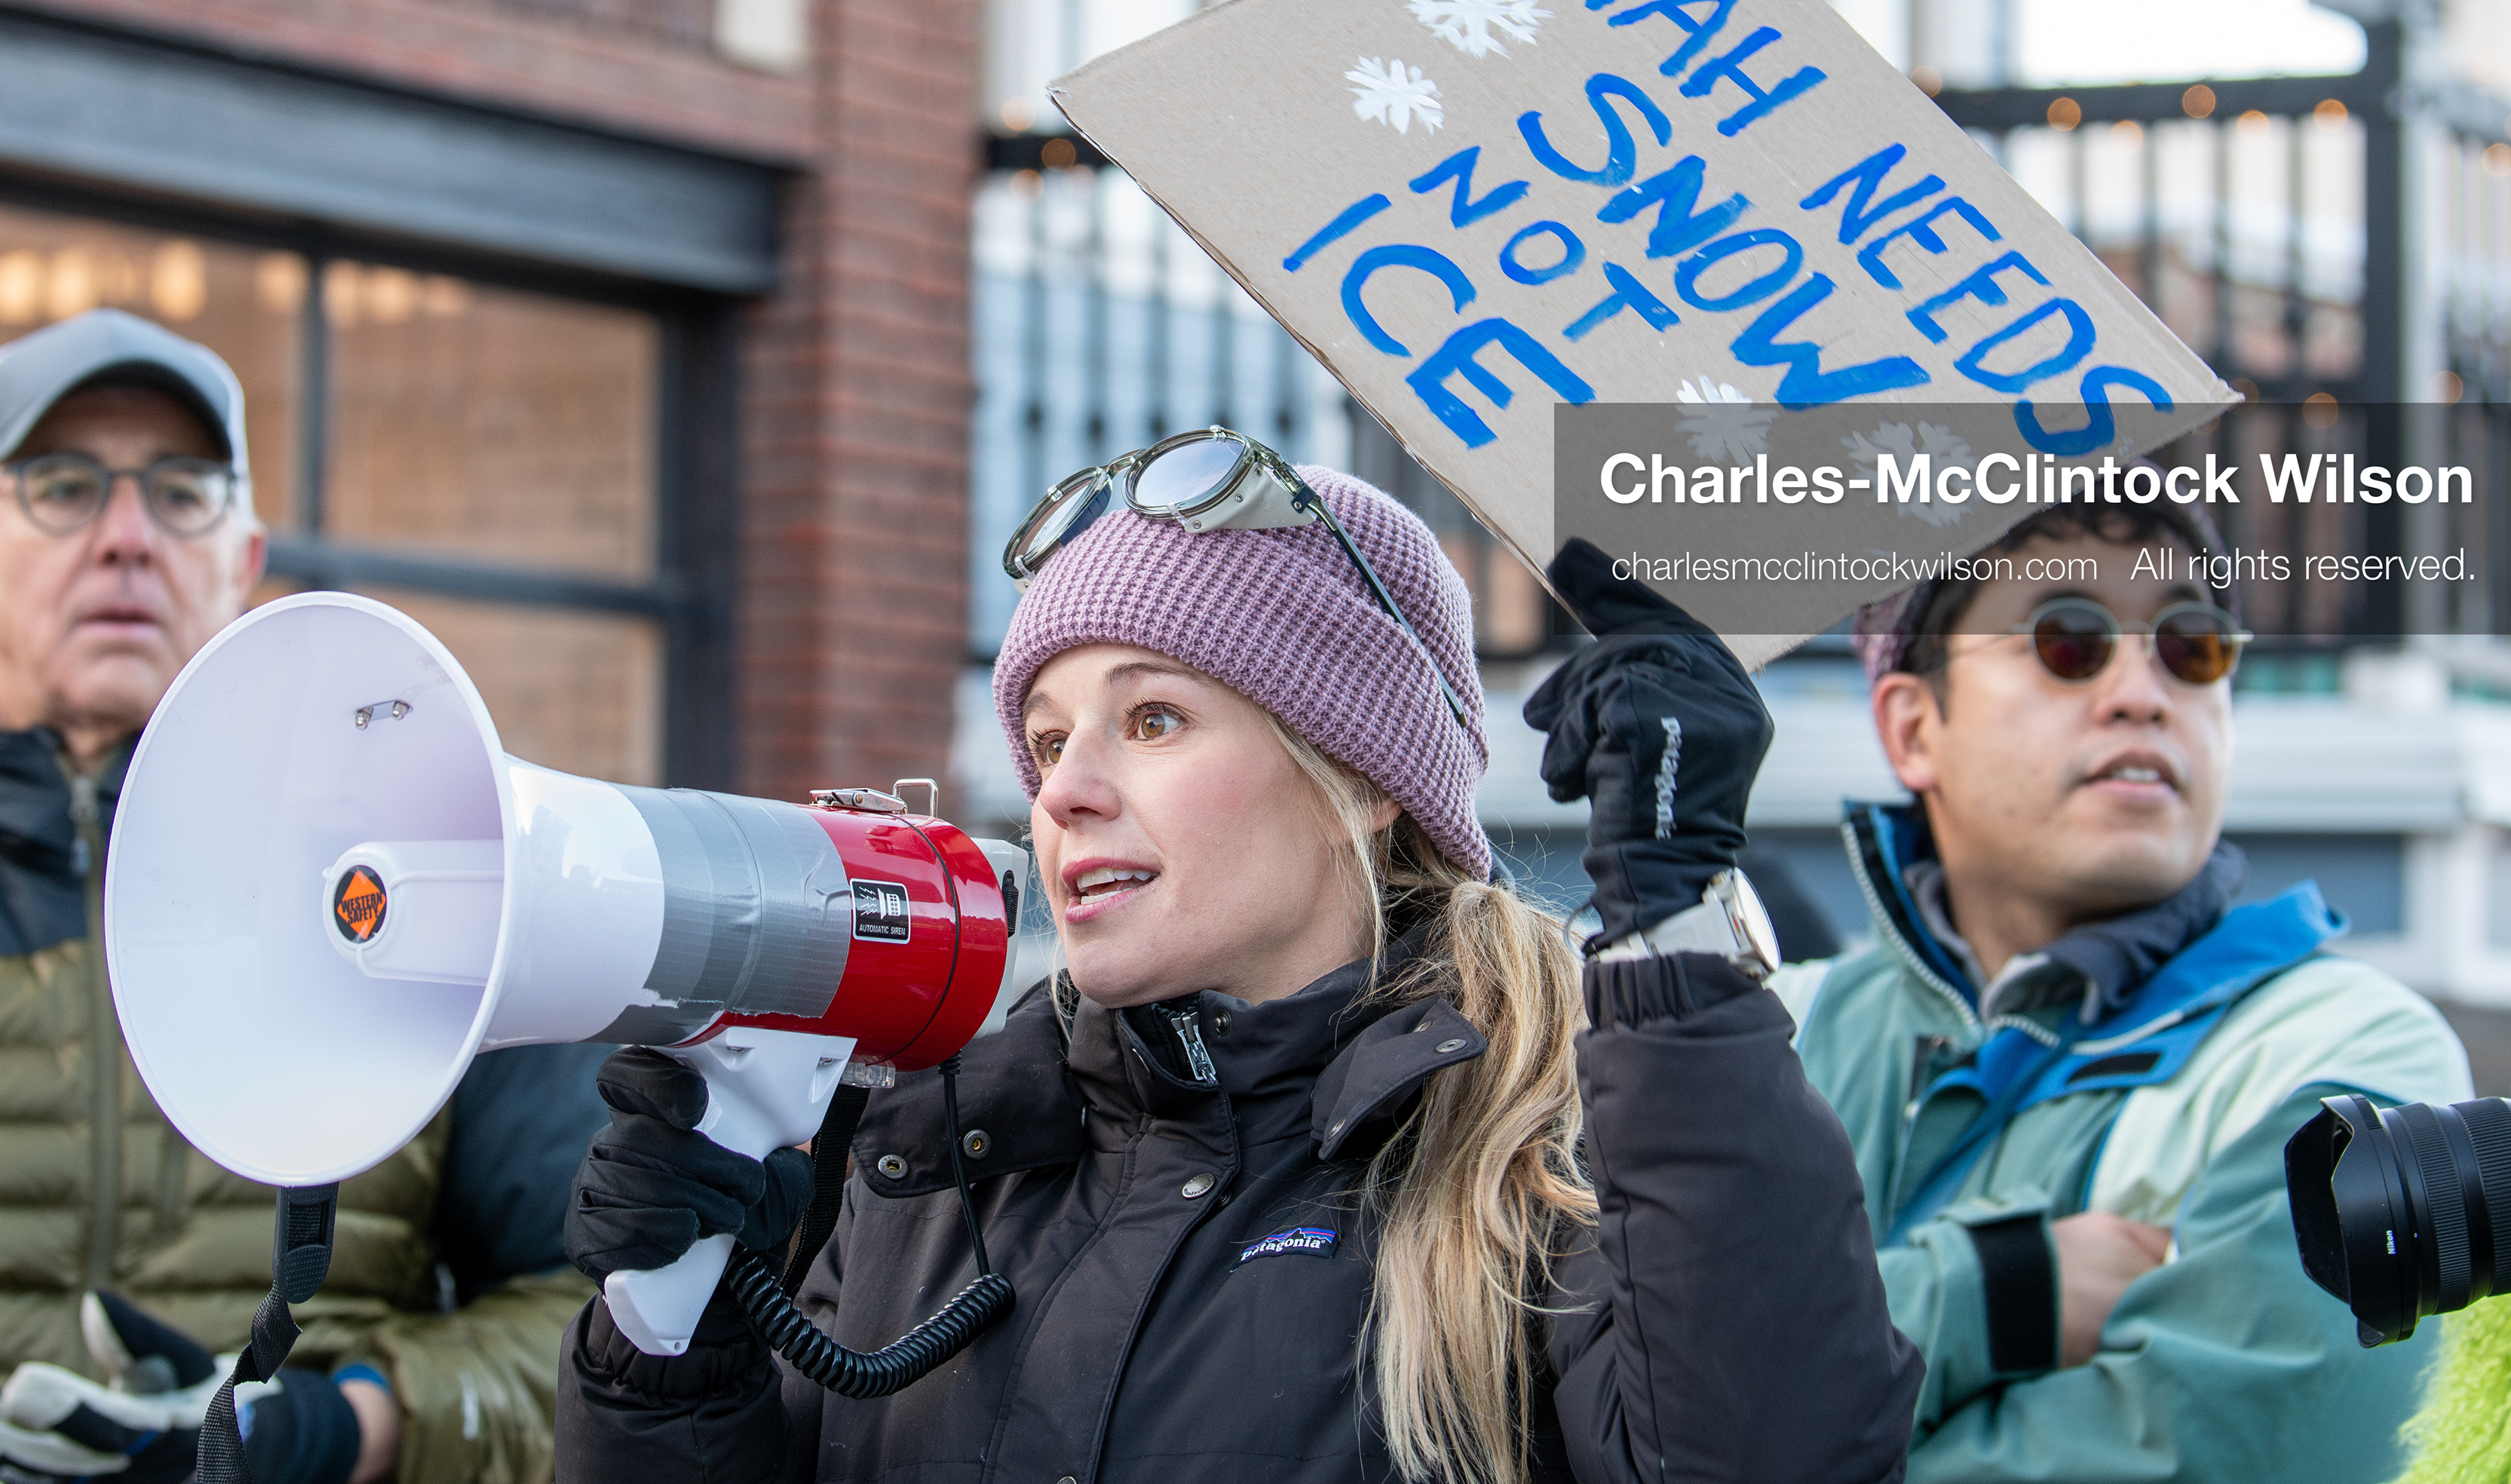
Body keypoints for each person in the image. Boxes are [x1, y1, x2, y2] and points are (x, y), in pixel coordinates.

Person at [553, 431, 1921, 1484]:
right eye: (1045, 737)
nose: (1065, 790)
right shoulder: (941, 1154)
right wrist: (671, 1336)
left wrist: (1672, 942)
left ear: (1365, 776)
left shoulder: (1550, 1143)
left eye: (1152, 719)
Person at [0, 308, 599, 1484]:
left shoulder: (421, 894)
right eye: (62, 485)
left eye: (182, 491)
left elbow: (603, 1312)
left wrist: (346, 1429)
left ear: (241, 564)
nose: (128, 536)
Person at [1774, 492, 2472, 1480]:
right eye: (2070, 639)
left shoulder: (2351, 1056)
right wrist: (1997, 1293)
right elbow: (1614, 1389)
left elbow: (2249, 1450)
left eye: (2192, 644)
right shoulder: (1772, 1032)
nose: (2143, 692)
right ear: (1913, 725)